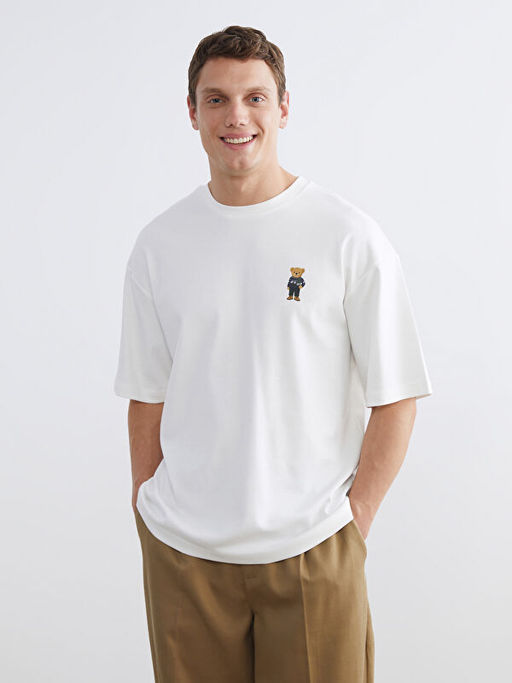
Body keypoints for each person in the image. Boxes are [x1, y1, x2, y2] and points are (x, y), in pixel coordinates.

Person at [114, 24, 433, 683]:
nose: (237, 116)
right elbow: (147, 392)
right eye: (217, 99)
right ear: (192, 112)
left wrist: (354, 520)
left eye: (255, 97)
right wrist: (147, 507)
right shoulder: (159, 245)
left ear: (283, 107)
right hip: (184, 554)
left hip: (313, 547)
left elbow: (397, 395)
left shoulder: (347, 236)